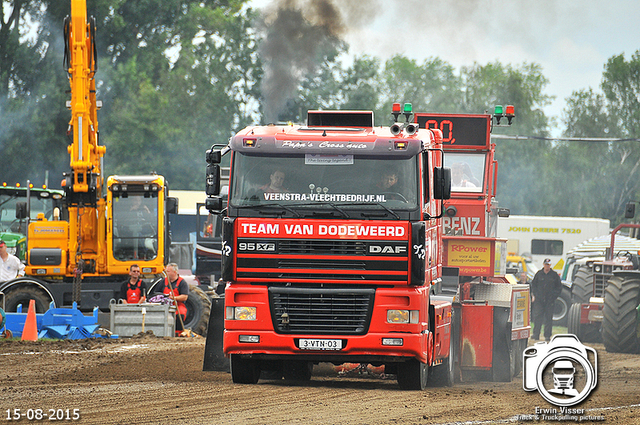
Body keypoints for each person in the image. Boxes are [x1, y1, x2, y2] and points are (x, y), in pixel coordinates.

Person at [530, 258, 562, 342]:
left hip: (550, 301)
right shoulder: (539, 274)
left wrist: (553, 297)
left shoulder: (554, 275)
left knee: (548, 318)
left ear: (550, 265)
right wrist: (535, 295)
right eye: (545, 264)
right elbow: (533, 285)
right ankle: (536, 334)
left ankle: (547, 336)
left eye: (548, 265)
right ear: (543, 265)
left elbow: (559, 287)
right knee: (537, 317)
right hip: (539, 300)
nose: (547, 266)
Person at [159, 263, 189, 335]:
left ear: (174, 272)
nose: (166, 273)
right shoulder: (163, 282)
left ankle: (178, 332)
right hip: (165, 304)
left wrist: (174, 298)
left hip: (177, 305)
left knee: (180, 313)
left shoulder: (182, 282)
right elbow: (156, 293)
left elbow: (185, 297)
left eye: (168, 271)